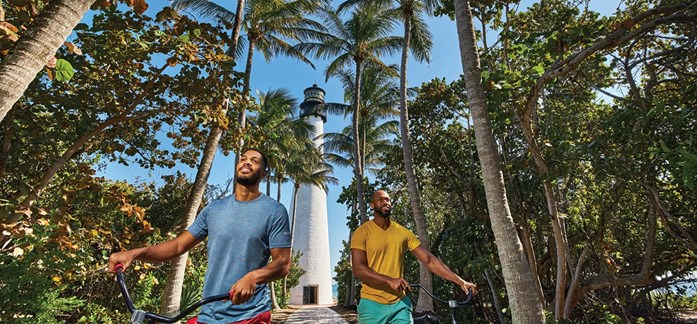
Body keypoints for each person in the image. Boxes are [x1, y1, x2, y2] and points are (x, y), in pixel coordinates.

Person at [108, 148, 291, 324]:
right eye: (243, 158)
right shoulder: (214, 209)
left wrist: (253, 277)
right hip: (208, 314)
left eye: (255, 161)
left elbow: (282, 263)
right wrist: (135, 253)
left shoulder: (274, 211)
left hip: (250, 315)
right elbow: (178, 246)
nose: (247, 162)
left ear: (264, 174)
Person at [350, 190, 477, 323]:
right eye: (380, 200)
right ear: (372, 205)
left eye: (387, 199)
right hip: (372, 305)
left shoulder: (402, 232)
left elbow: (429, 260)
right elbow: (359, 269)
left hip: (399, 305)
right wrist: (389, 280)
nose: (385, 202)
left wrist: (460, 281)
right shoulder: (362, 232)